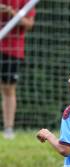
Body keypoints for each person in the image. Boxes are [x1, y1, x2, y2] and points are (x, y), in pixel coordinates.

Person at [1, 0, 36, 139]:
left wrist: (11, 13)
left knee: (8, 89)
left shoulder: (27, 1)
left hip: (12, 50)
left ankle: (8, 129)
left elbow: (29, 24)